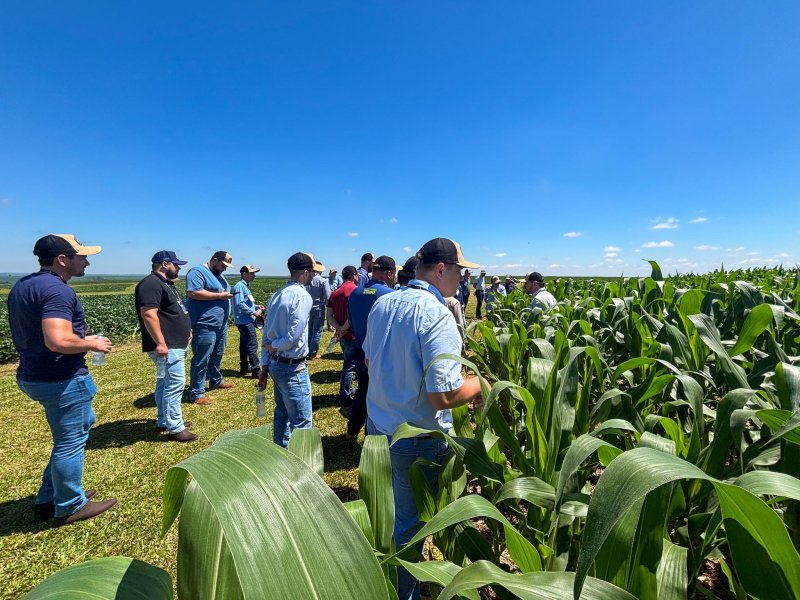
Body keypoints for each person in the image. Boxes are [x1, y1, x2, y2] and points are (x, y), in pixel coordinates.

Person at [363, 237, 483, 600]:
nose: (462, 280)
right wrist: (480, 384)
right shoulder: (436, 314)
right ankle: (406, 593)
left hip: (378, 428)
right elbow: (443, 395)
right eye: (460, 272)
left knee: (386, 517)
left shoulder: (384, 303)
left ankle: (379, 579)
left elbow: (369, 361)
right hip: (416, 438)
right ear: (442, 270)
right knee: (410, 529)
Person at [8, 234, 117, 526]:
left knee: (76, 431)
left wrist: (80, 338)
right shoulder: (58, 291)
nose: (87, 262)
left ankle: (50, 497)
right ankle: (69, 504)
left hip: (33, 373)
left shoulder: (24, 285)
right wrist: (92, 344)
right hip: (61, 377)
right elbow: (57, 340)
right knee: (70, 441)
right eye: (82, 256)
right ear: (62, 259)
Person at [258, 252, 323, 448]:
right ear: (305, 272)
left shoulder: (278, 294)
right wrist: (273, 346)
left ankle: (281, 451)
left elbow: (267, 333)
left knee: (282, 414)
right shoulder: (302, 296)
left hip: (277, 364)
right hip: (293, 367)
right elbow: (293, 336)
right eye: (313, 272)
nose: (314, 276)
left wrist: (265, 365)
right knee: (302, 422)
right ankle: (300, 464)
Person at [134, 250, 196, 442]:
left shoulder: (165, 284)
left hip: (175, 343)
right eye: (176, 264)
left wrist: (187, 330)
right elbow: (149, 315)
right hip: (167, 346)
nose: (178, 268)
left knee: (164, 382)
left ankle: (164, 420)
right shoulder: (150, 284)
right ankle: (176, 427)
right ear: (164, 264)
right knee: (175, 385)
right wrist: (161, 343)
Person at [347, 255, 396, 438]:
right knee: (381, 395)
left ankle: (352, 429)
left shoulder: (356, 293)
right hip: (382, 355)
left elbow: (351, 322)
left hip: (360, 349)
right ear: (390, 274)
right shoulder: (391, 296)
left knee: (363, 389)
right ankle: (373, 434)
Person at [185, 251, 235, 405]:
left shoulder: (219, 274)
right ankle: (196, 392)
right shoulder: (197, 272)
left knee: (217, 354)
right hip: (204, 324)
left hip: (220, 324)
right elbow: (193, 292)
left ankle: (216, 380)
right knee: (202, 358)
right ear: (214, 260)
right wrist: (219, 296)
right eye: (223, 265)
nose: (224, 269)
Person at [325, 265, 358, 406]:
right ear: (354, 275)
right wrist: (344, 329)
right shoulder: (356, 291)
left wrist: (338, 329)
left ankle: (349, 389)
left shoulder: (335, 292)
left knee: (347, 362)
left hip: (342, 336)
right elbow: (353, 316)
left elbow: (329, 316)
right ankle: (345, 395)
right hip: (352, 335)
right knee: (350, 366)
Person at [232, 265, 264, 377]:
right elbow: (239, 304)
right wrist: (253, 312)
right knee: (252, 344)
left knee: (245, 344)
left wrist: (255, 306)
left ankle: (244, 367)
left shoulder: (244, 286)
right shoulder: (240, 286)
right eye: (252, 273)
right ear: (244, 274)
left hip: (243, 320)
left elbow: (245, 302)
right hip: (244, 320)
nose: (254, 275)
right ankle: (256, 371)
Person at [307, 262, 330, 359]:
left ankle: (307, 350)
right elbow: (328, 296)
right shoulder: (323, 281)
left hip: (308, 308)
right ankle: (313, 353)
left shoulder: (307, 280)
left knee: (309, 330)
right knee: (317, 331)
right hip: (319, 308)